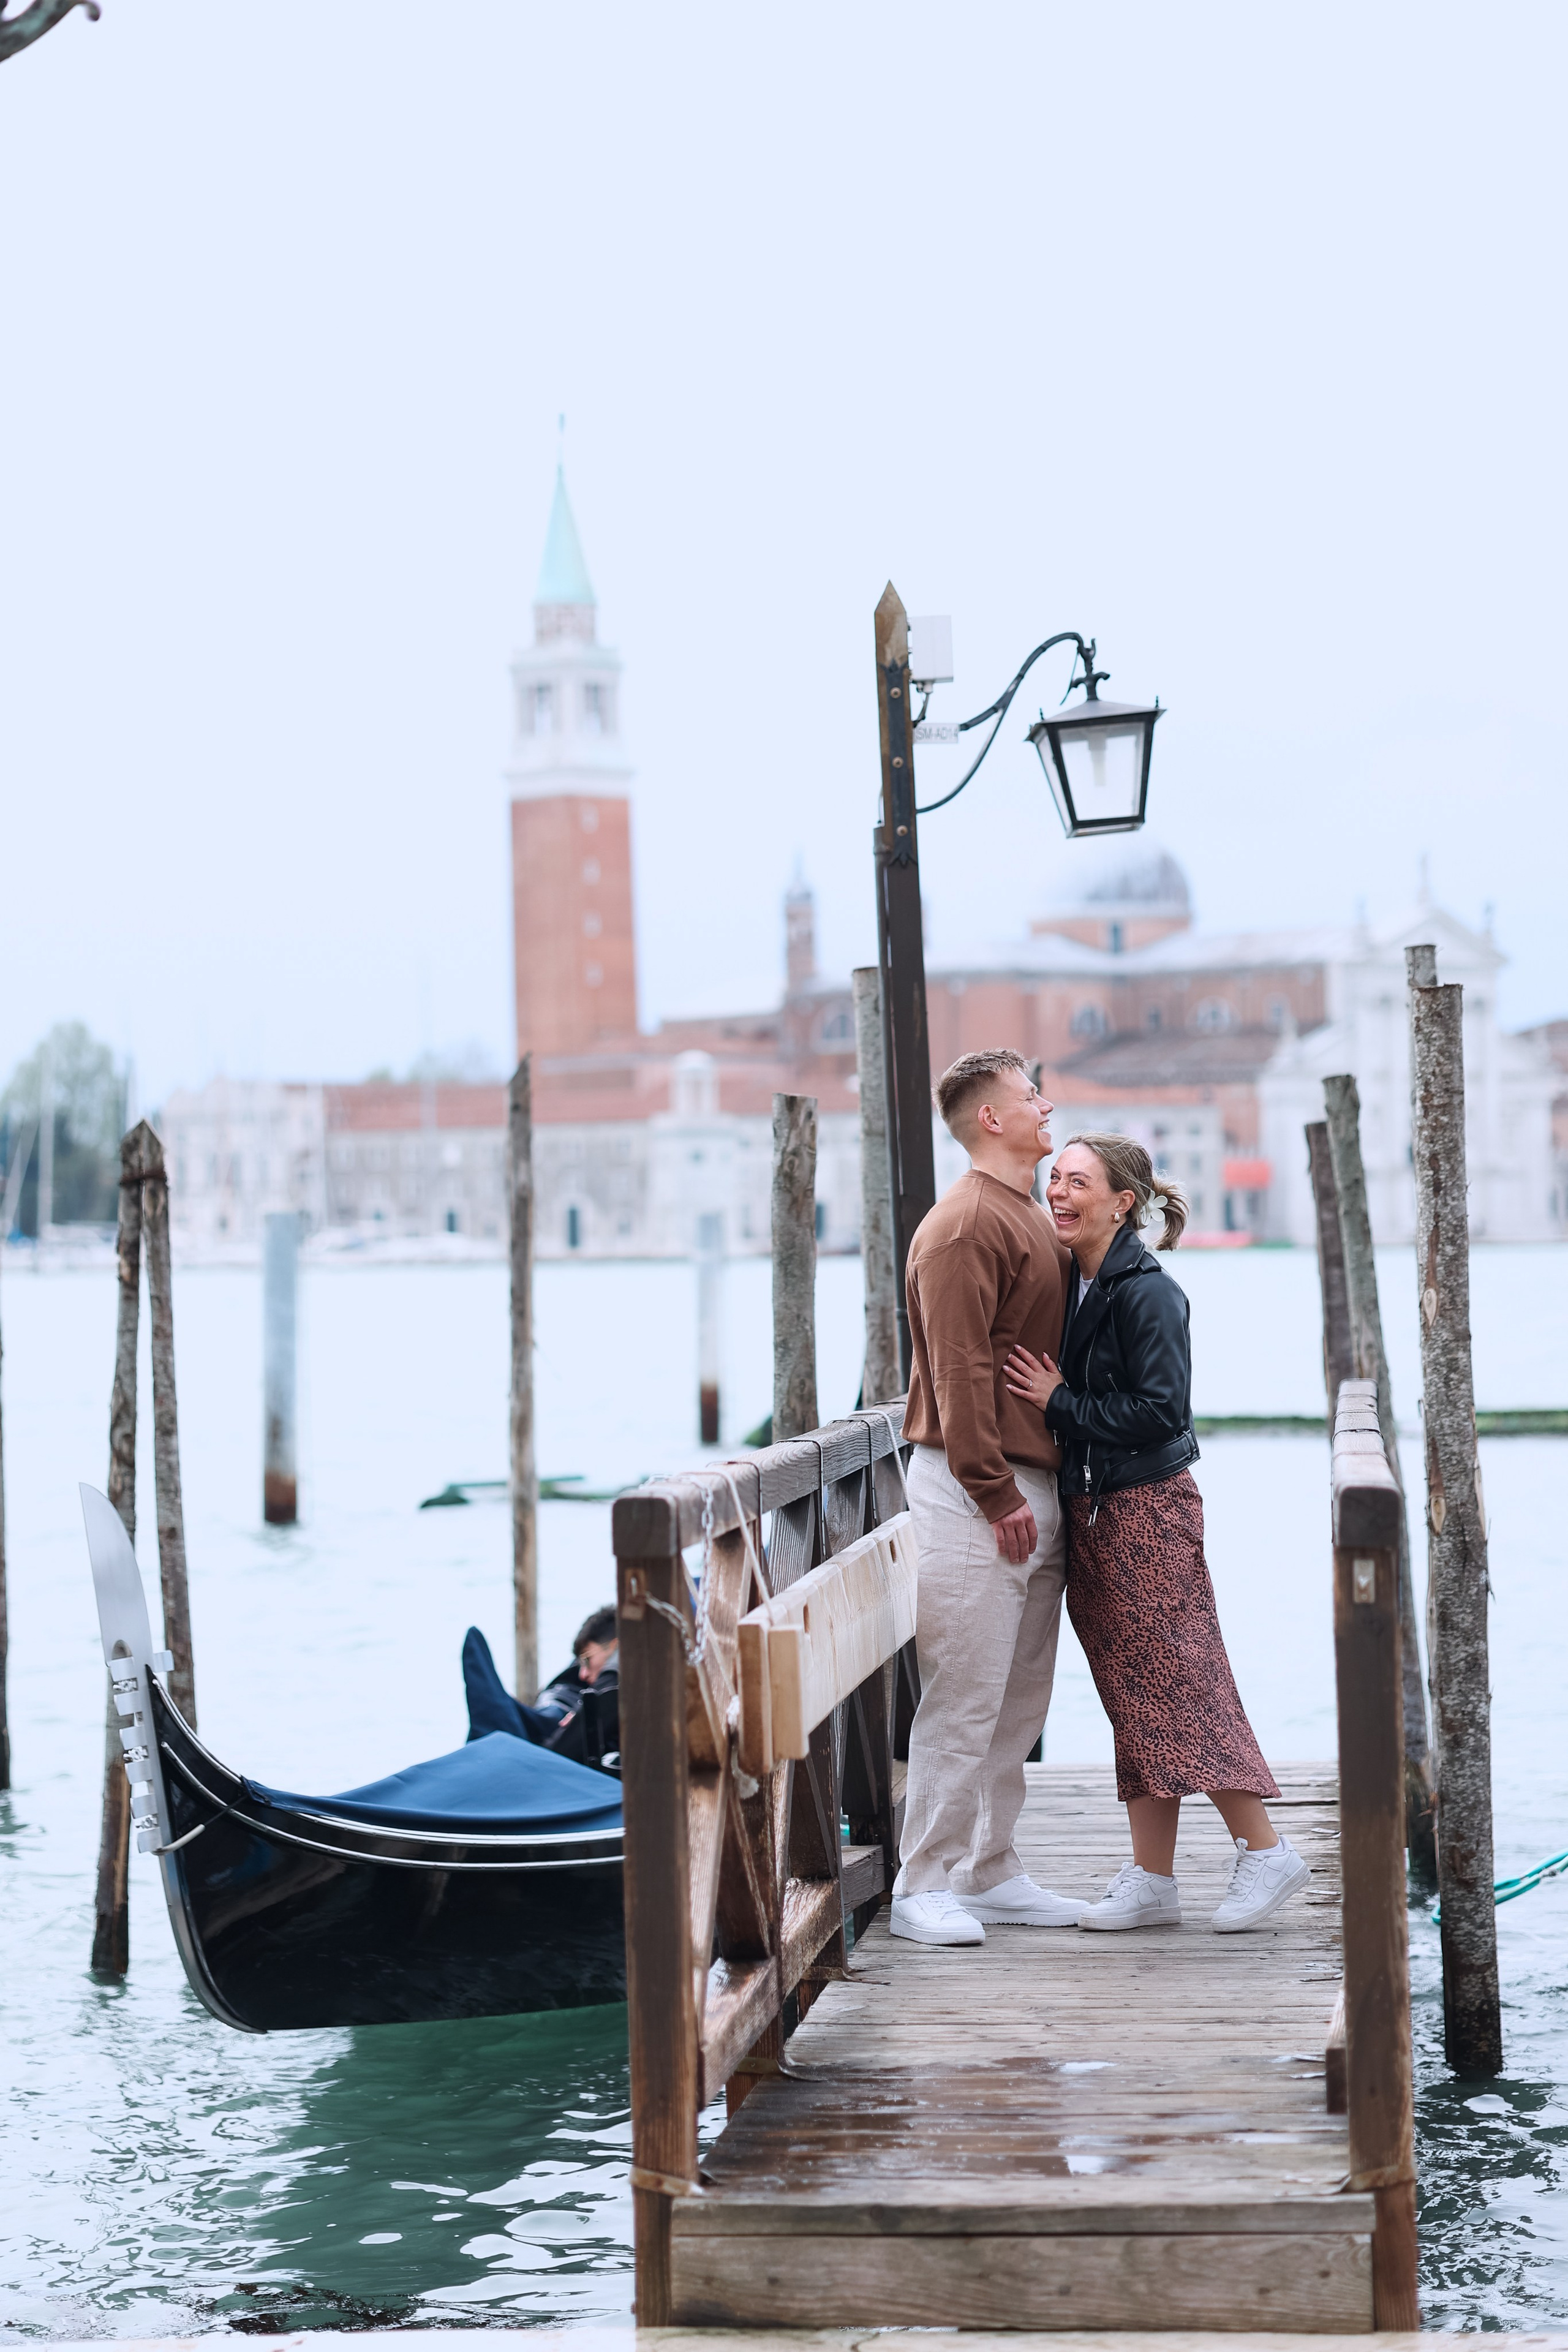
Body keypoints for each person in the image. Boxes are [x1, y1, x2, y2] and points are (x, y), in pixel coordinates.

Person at [1003, 1133, 1310, 1934]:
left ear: (1122, 1202)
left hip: (1147, 1511)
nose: (1059, 1194)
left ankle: (1265, 1850)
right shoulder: (1078, 1279)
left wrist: (1058, 1401)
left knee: (1186, 1687)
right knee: (1134, 1699)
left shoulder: (1150, 1293)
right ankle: (1152, 1879)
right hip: (1099, 1513)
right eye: (1054, 1181)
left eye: (1078, 1183)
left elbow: (1161, 1411)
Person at [889, 1047, 1082, 1947]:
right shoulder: (964, 1225)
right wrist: (994, 1488)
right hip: (980, 1493)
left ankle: (991, 1866)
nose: (1046, 1105)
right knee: (963, 1697)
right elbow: (959, 1368)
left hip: (1032, 1484)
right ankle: (921, 1880)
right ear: (991, 1121)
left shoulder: (1028, 1215)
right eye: (1028, 1096)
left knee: (1020, 1700)